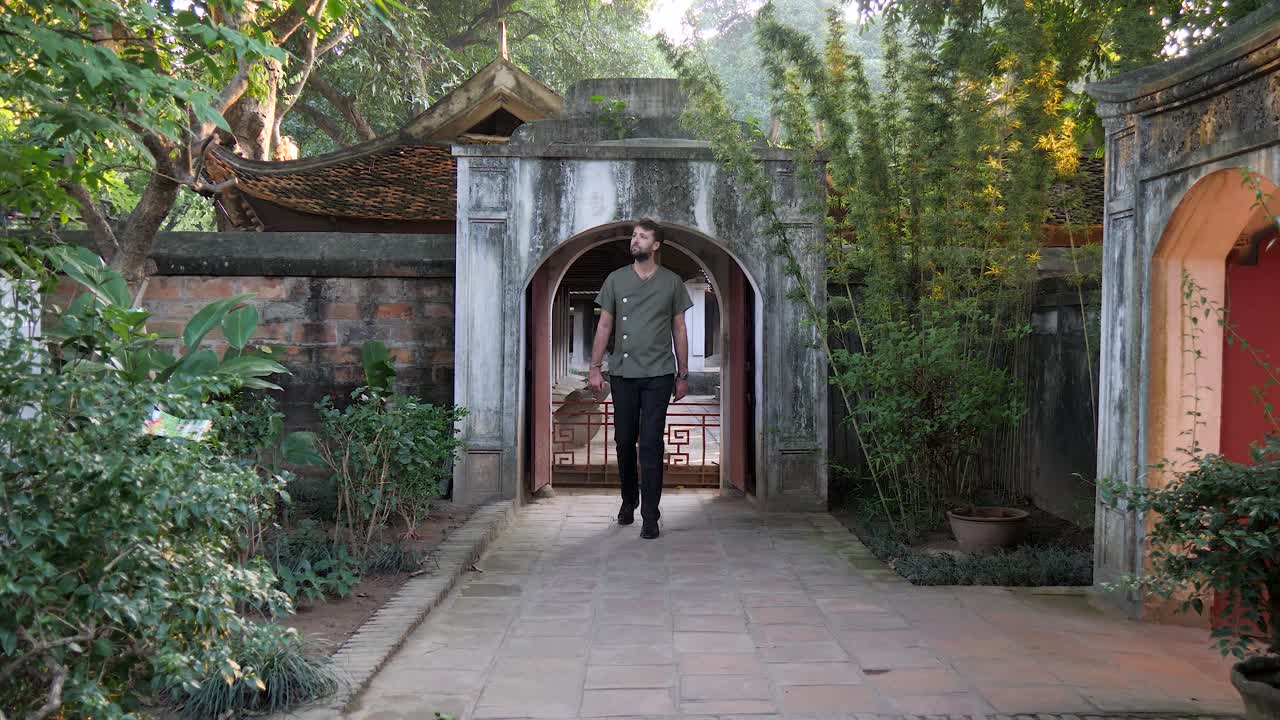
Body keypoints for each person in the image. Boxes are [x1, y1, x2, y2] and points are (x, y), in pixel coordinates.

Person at [588, 219, 693, 539]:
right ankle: (628, 500)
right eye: (634, 236)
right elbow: (604, 326)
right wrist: (595, 368)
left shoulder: (672, 282)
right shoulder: (615, 280)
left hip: (659, 374)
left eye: (643, 237)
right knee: (623, 442)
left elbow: (679, 328)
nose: (636, 240)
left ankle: (650, 514)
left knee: (649, 443)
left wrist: (683, 374)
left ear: (656, 245)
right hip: (623, 373)